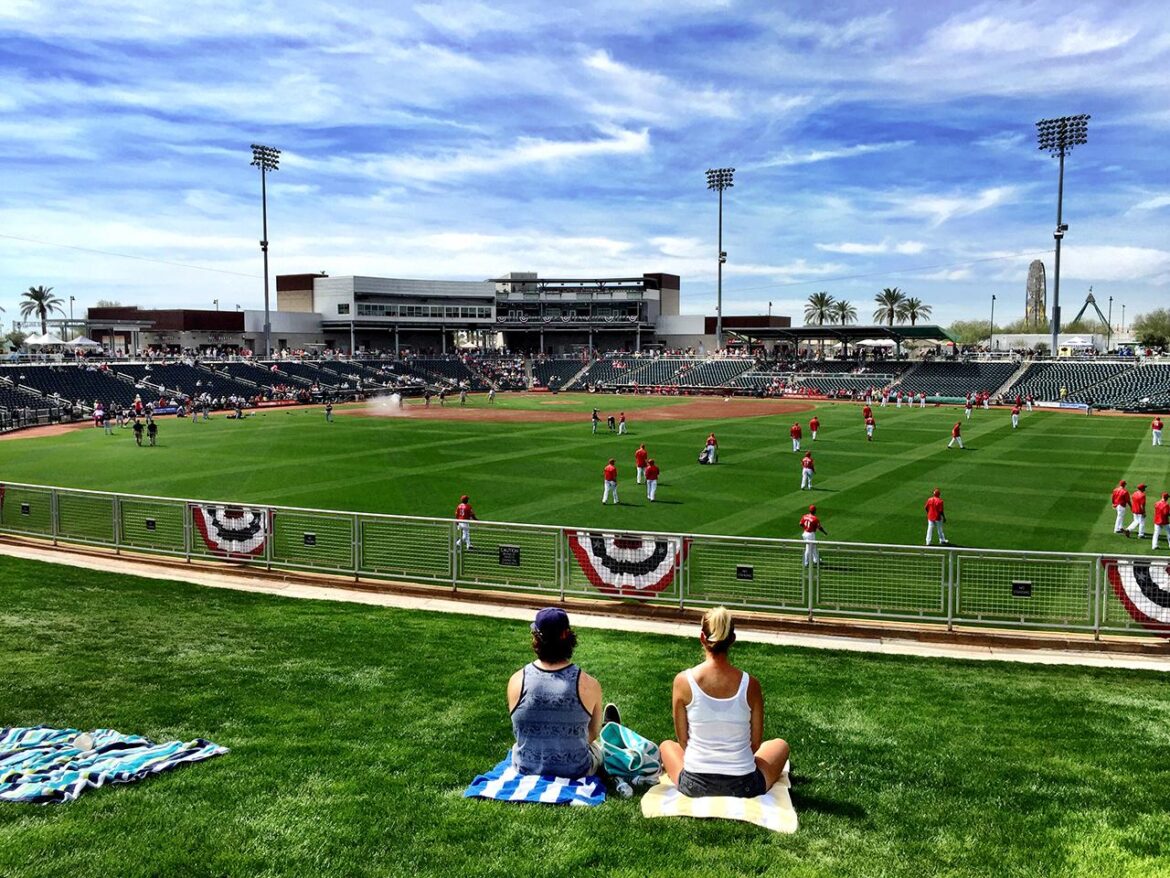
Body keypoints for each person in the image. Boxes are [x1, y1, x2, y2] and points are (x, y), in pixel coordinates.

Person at [658, 607, 789, 799]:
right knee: (780, 745)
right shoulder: (751, 684)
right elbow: (755, 744)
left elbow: (683, 741)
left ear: (702, 638)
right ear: (732, 639)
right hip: (744, 785)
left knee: (667, 746)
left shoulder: (683, 681)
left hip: (695, 784)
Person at [508, 608, 604, 778]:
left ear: (536, 639)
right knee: (599, 746)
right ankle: (613, 731)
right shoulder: (590, 684)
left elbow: (520, 731)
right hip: (576, 770)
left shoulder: (517, 680)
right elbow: (592, 734)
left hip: (526, 766)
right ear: (567, 636)